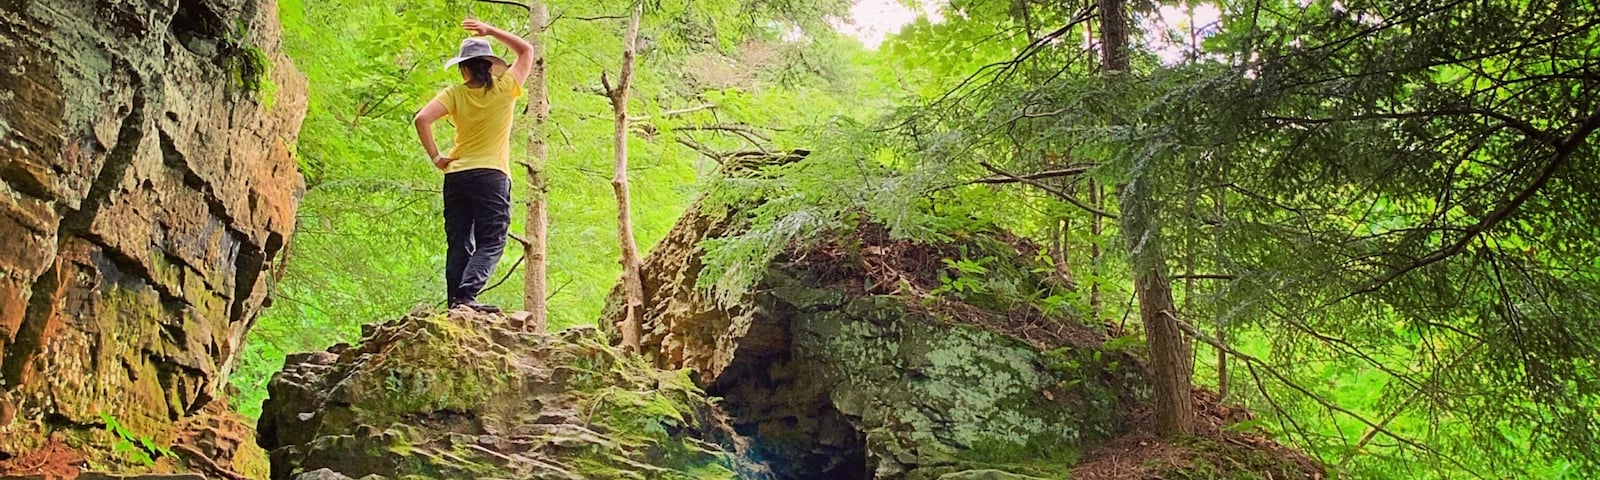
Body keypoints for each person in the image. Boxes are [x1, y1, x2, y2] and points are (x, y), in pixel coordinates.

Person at [413, 19, 533, 313]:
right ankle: (466, 297)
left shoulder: (454, 93)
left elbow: (421, 119)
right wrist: (491, 30)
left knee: (458, 242)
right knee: (491, 241)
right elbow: (526, 50)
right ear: (491, 66)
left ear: (464, 69)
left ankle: (456, 304)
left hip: (456, 175)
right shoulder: (506, 88)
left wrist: (437, 157)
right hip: (491, 175)